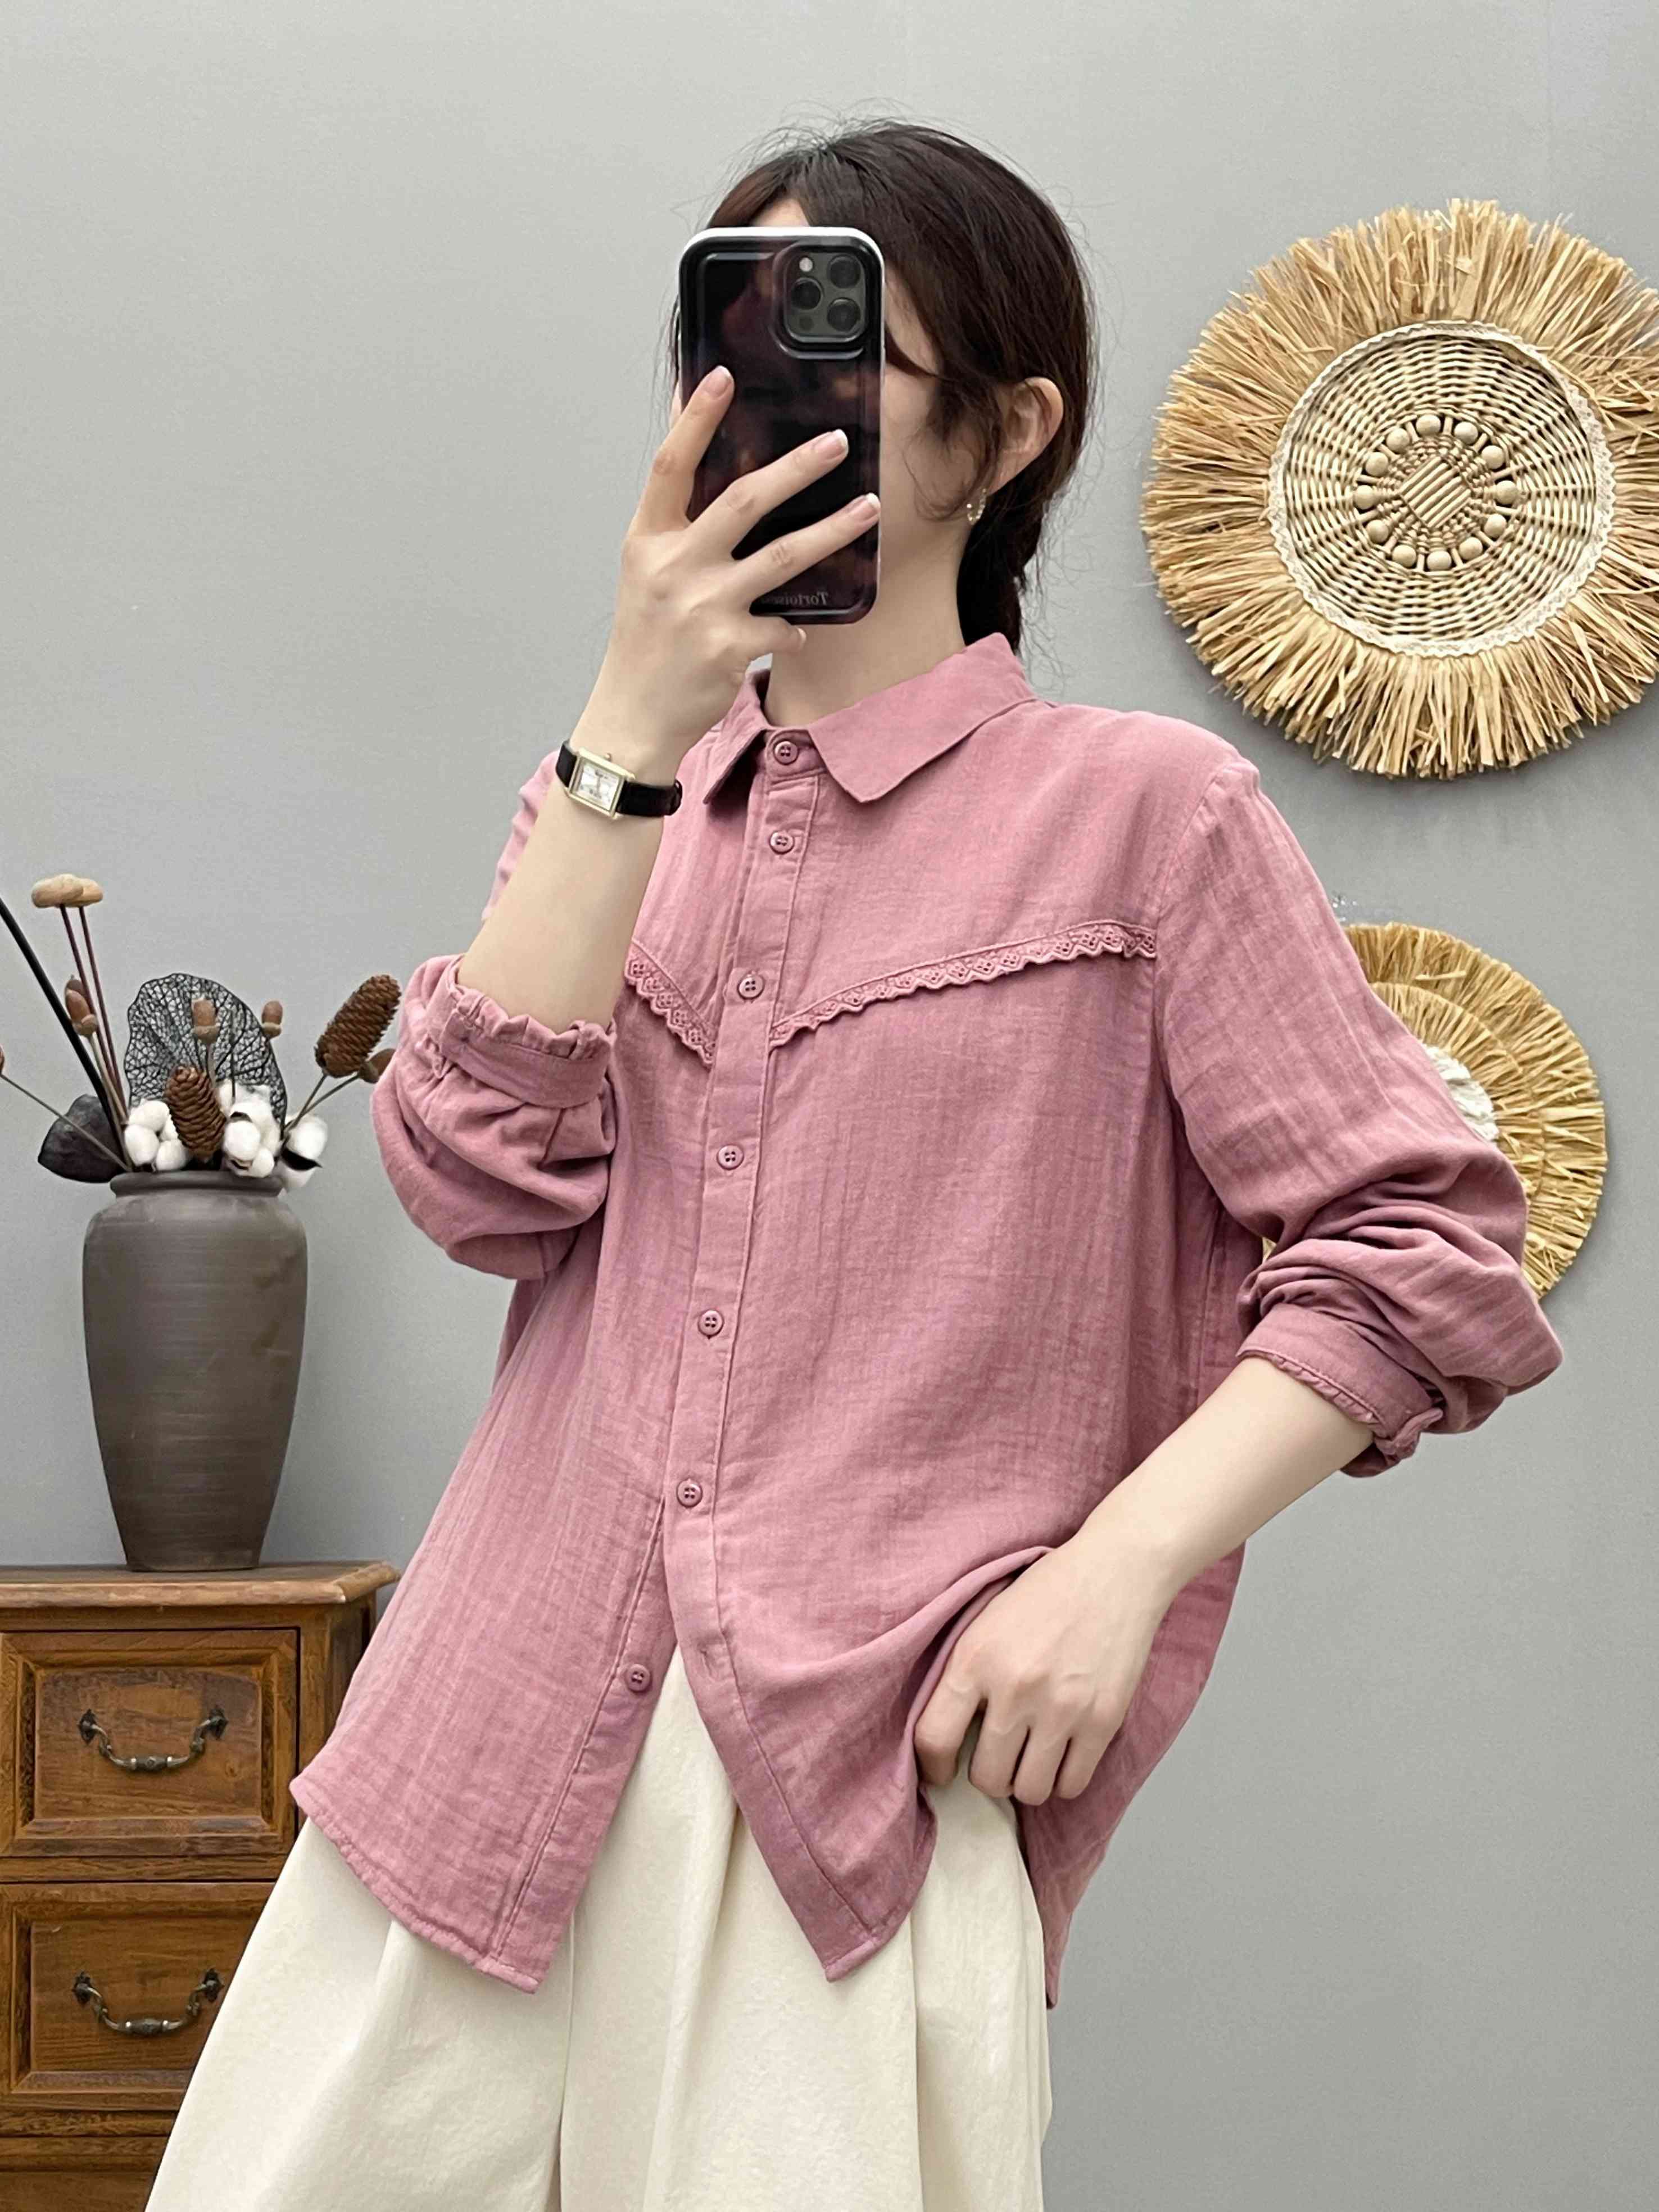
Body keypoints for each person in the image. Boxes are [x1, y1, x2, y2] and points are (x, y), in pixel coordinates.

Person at [144, 120, 1562, 2212]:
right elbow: (471, 1183)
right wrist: (628, 730)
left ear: (1006, 434)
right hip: (479, 1760)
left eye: (845, 352)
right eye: (725, 344)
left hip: (849, 1799)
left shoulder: (1149, 820)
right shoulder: (608, 806)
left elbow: (1422, 1246)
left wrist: (1116, 1572)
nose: (764, 403)